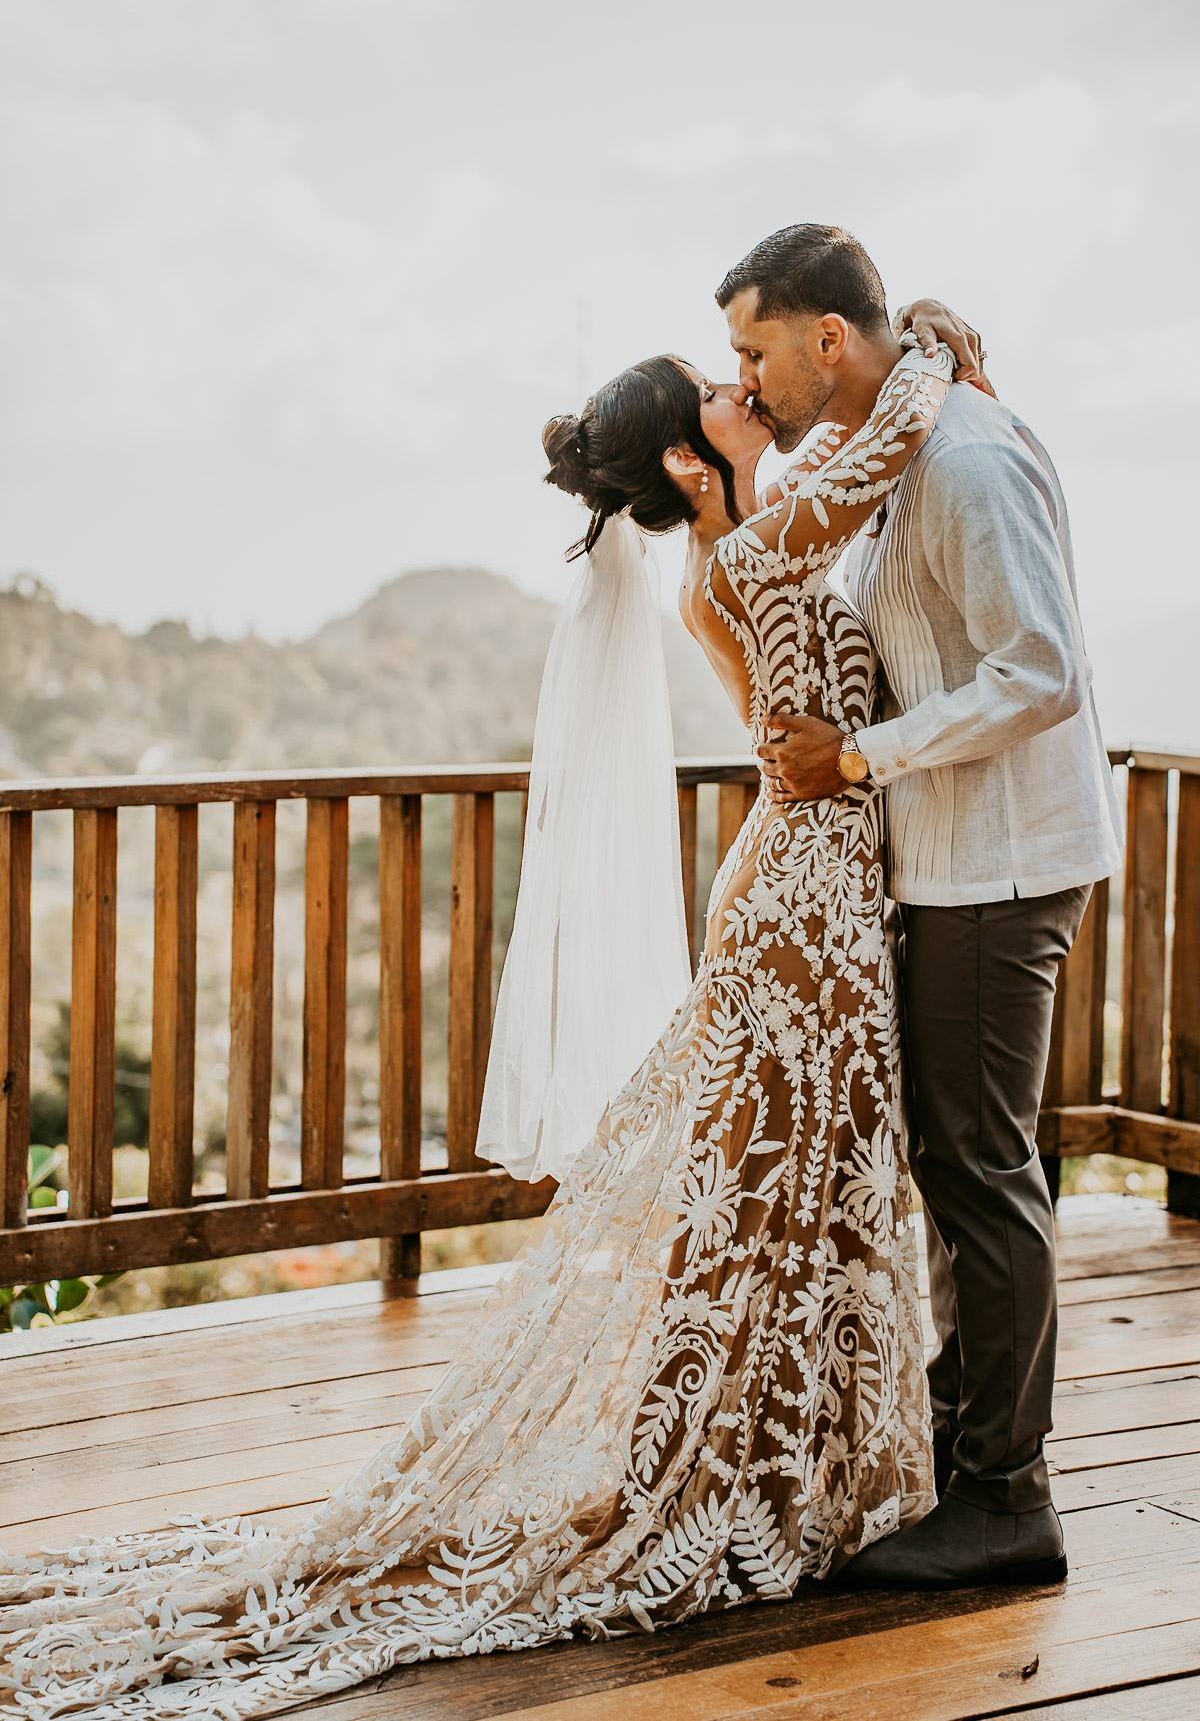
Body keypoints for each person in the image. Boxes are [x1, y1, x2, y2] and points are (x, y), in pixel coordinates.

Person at [0, 296, 964, 1718]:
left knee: (794, 1195)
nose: (738, 387)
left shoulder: (741, 546)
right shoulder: (752, 553)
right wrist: (932, 344)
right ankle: (721, 1476)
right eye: (713, 387)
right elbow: (887, 446)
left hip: (811, 884)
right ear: (685, 464)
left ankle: (776, 1463)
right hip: (803, 902)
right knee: (775, 1189)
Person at [729, 224, 1124, 1589]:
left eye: (754, 351)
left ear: (827, 339)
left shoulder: (961, 458)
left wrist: (857, 760)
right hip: (951, 864)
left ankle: (1009, 1503)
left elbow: (1041, 669)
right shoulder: (899, 450)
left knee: (982, 1173)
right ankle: (967, 1467)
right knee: (960, 1168)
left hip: (999, 868)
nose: (749, 376)